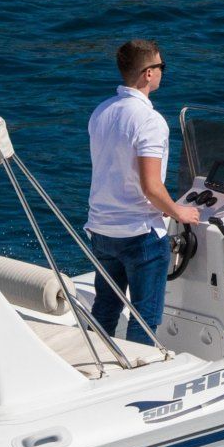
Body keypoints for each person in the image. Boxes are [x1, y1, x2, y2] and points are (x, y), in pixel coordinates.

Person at [85, 39, 200, 344]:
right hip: (139, 235)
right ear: (148, 73)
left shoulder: (101, 112)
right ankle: (136, 378)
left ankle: (92, 365)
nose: (163, 72)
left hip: (102, 231)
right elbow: (150, 186)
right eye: (161, 66)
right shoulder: (150, 121)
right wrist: (179, 212)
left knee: (105, 309)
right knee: (144, 318)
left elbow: (114, 170)